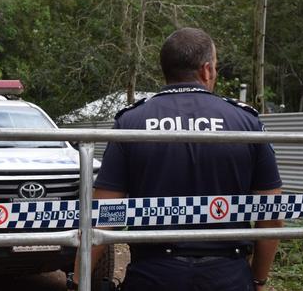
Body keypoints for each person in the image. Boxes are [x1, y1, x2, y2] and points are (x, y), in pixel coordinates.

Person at [68, 27, 282, 291]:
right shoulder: (246, 122)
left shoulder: (131, 123)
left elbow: (103, 215)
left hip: (153, 275)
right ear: (206, 70)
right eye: (215, 67)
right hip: (228, 275)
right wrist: (258, 279)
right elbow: (271, 213)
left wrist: (77, 281)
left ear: (166, 70)